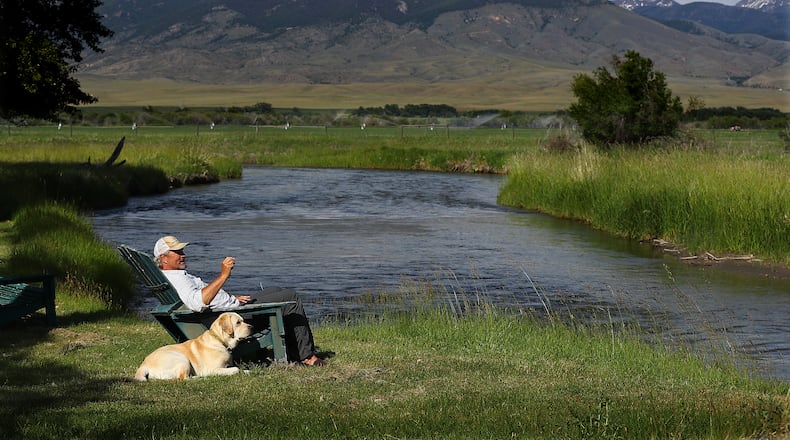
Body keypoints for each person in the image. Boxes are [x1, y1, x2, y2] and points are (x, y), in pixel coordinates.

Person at [153, 235, 326, 366]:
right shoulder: (177, 279)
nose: (183, 255)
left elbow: (200, 297)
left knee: (277, 291)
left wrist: (228, 299)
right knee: (291, 297)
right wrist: (224, 275)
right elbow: (198, 303)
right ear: (164, 258)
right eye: (177, 252)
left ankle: (295, 351)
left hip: (226, 309)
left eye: (182, 251)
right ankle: (307, 357)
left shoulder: (170, 277)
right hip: (230, 321)